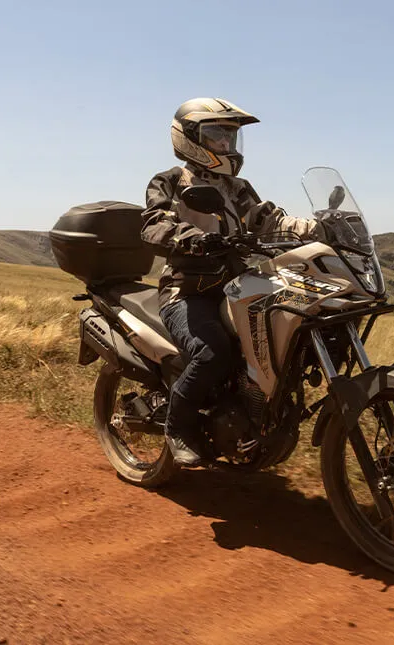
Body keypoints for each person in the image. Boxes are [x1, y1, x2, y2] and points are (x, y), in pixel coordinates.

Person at [140, 98, 320, 467]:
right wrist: (191, 237)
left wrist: (315, 227)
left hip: (236, 287)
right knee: (212, 352)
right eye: (217, 135)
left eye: (230, 137)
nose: (226, 144)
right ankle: (177, 428)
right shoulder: (171, 181)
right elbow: (153, 222)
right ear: (190, 138)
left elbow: (267, 218)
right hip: (187, 291)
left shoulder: (237, 187)